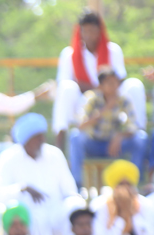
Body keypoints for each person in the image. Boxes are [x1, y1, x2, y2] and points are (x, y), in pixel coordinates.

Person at [51, 8, 147, 146]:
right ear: (80, 32)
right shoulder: (69, 54)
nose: (89, 35)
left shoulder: (113, 50)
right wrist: (98, 89)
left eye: (92, 31)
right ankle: (59, 143)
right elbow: (65, 81)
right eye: (85, 31)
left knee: (135, 85)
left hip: (111, 98)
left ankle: (139, 136)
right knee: (66, 88)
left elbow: (120, 79)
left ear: (99, 31)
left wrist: (106, 91)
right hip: (83, 102)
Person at [0, 112, 79, 235]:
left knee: (76, 205)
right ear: (26, 140)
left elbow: (70, 191)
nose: (42, 140)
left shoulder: (55, 154)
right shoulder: (7, 158)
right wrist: (22, 188)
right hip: (26, 216)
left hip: (56, 212)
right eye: (37, 137)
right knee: (36, 213)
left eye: (42, 136)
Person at [68, 66, 147, 187]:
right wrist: (105, 109)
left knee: (141, 138)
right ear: (101, 86)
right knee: (75, 137)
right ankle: (76, 185)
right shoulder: (91, 98)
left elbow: (133, 126)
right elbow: (81, 125)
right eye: (110, 83)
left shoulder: (124, 100)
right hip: (93, 144)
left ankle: (135, 184)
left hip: (114, 146)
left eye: (116, 83)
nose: (114, 86)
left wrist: (119, 136)